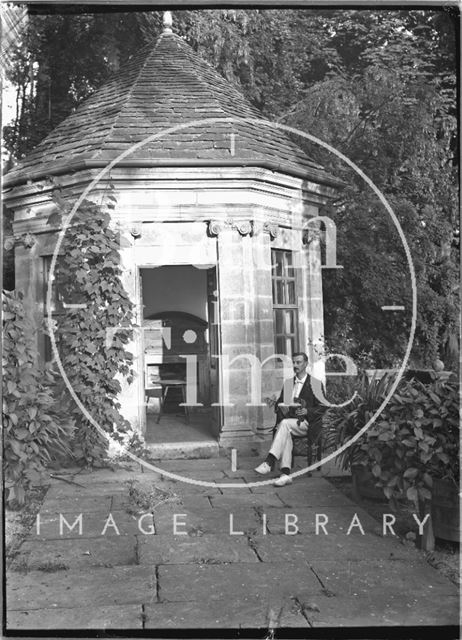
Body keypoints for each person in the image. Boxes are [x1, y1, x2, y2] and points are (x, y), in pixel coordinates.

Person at [255, 351, 324, 486]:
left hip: (307, 423)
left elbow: (322, 407)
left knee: (284, 425)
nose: (295, 365)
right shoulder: (288, 383)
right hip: (289, 423)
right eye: (293, 362)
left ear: (306, 364)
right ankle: (285, 474)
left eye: (298, 362)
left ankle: (270, 461)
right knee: (285, 429)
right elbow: (280, 403)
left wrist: (307, 410)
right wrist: (280, 407)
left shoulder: (315, 384)